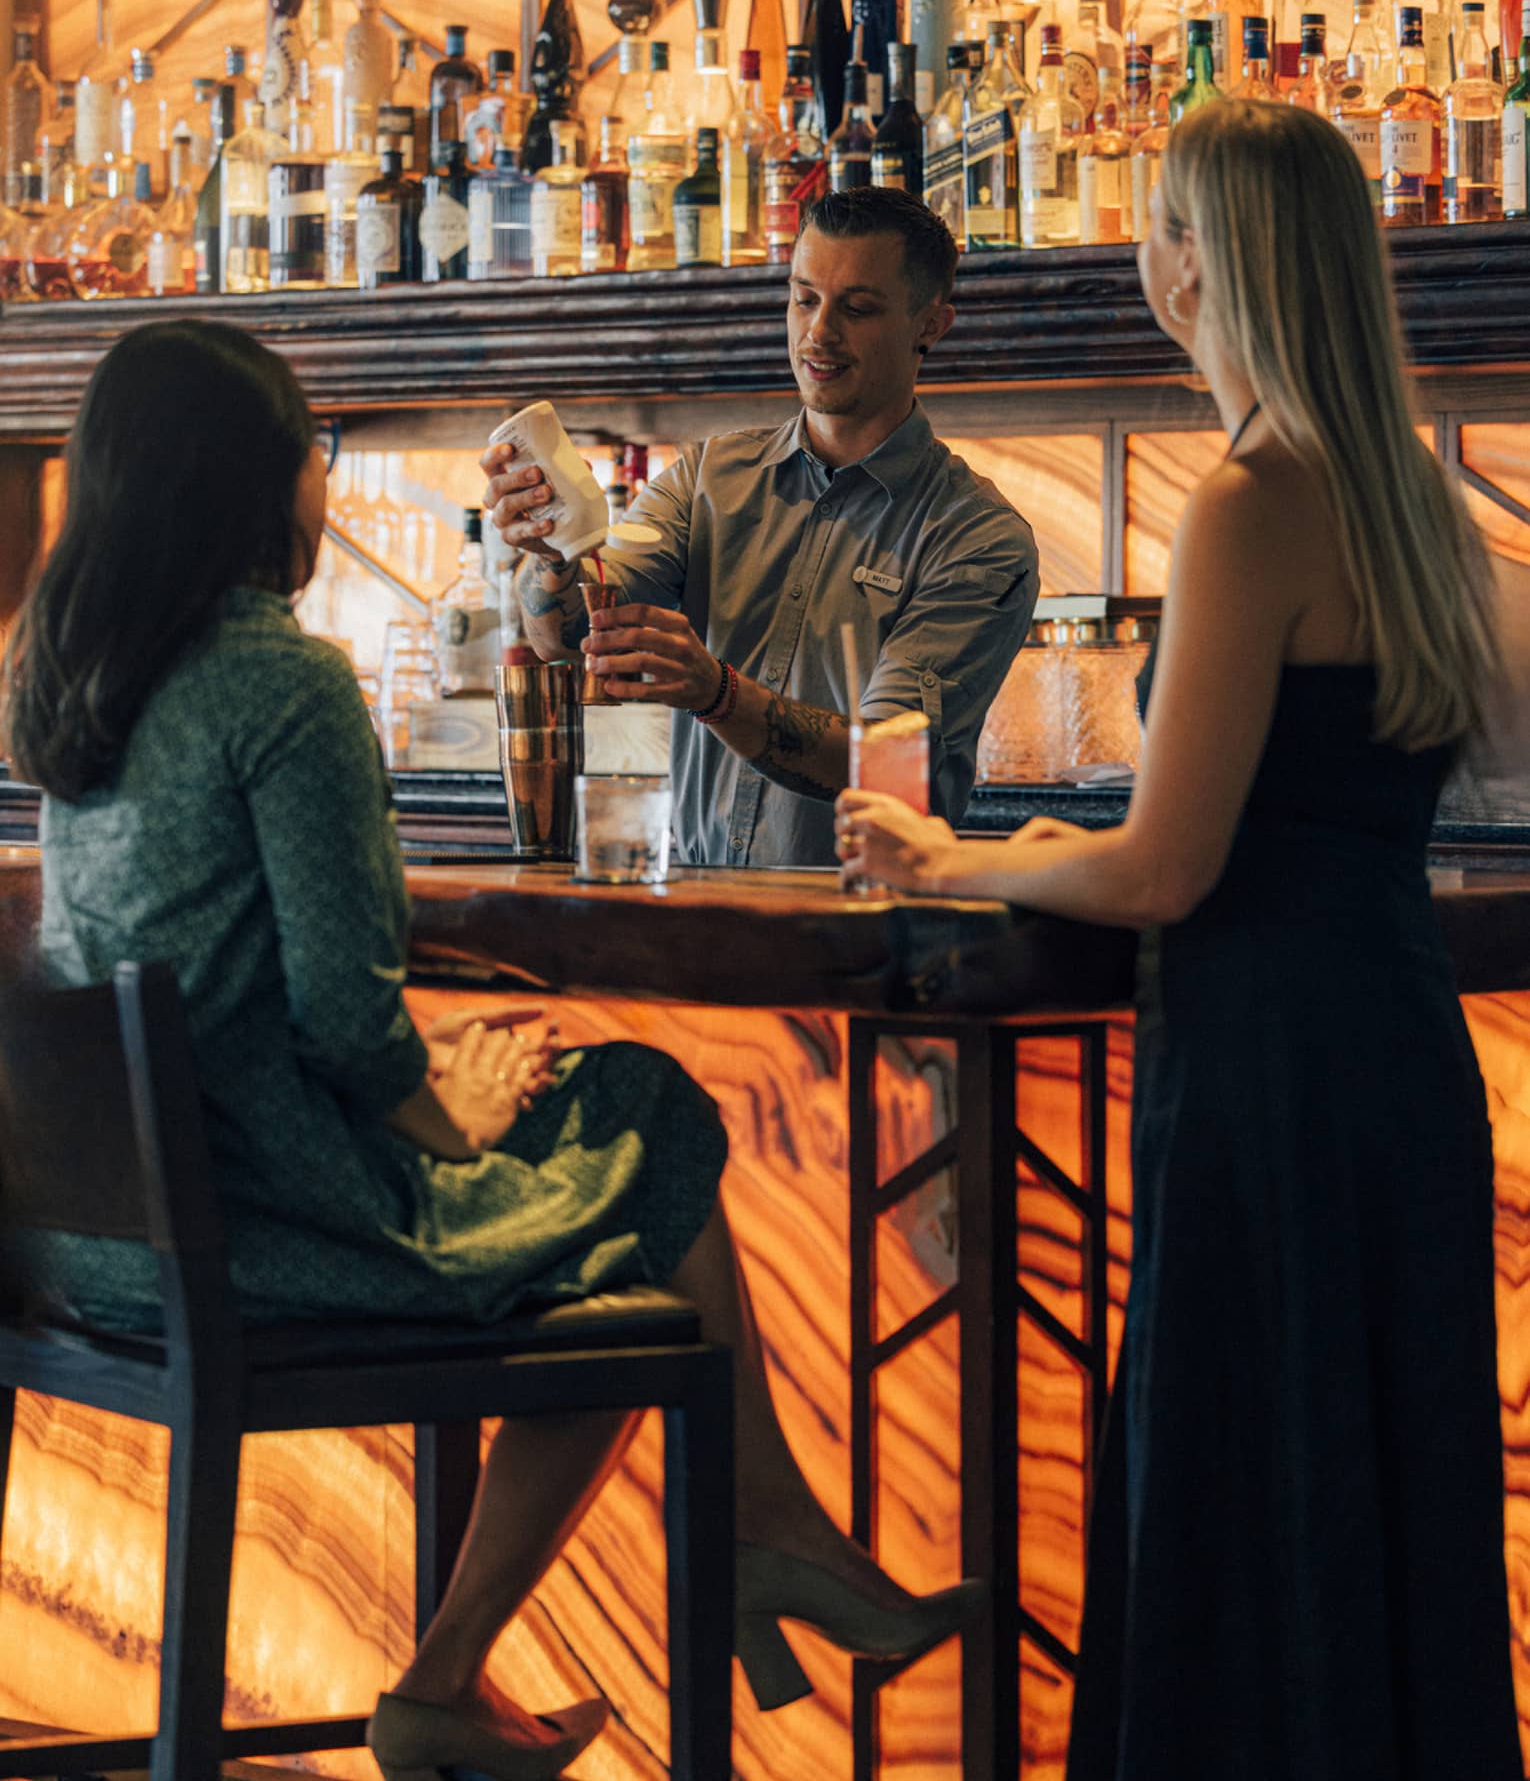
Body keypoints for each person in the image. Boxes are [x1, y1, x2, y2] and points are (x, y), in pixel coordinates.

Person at [2, 319, 980, 1781]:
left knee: (624, 1144)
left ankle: (617, 1609)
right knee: (649, 1140)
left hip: (89, 1255)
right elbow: (345, 1017)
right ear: (263, 484)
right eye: (311, 455)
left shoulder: (74, 684)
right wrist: (448, 1114)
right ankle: (641, 1591)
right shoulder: (282, 684)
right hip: (269, 1227)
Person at [838, 100, 1521, 1778]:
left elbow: (1165, 865)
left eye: (1160, 220)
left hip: (1269, 1075)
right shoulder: (1426, 507)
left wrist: (961, 855)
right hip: (1403, 1056)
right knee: (1384, 1501)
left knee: (1241, 1496)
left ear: (1195, 263)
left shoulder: (1248, 499)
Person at [482, 187, 1039, 867]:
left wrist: (717, 693)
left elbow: (892, 763)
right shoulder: (707, 478)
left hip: (860, 930)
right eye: (804, 298)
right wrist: (552, 553)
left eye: (857, 308)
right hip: (701, 908)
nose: (819, 333)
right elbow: (566, 635)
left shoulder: (976, 535)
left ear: (930, 324)